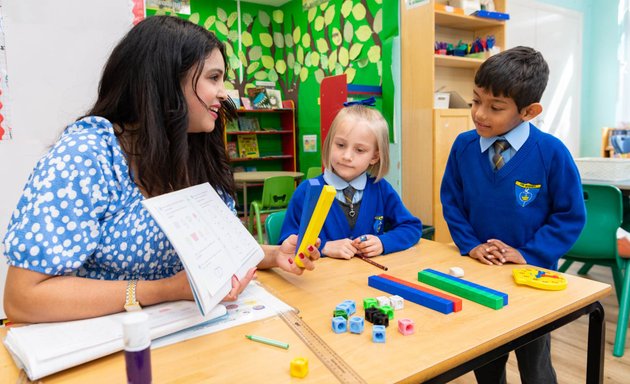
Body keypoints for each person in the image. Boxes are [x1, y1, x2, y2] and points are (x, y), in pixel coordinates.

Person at [2, 16, 320, 324]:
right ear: (167, 81)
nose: (224, 93)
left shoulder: (196, 149)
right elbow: (23, 298)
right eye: (213, 78)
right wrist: (165, 291)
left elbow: (217, 246)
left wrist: (272, 254)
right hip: (112, 346)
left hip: (190, 337)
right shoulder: (86, 155)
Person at [440, 46, 586, 384]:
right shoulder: (463, 146)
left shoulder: (551, 153)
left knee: (535, 367)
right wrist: (471, 245)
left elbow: (569, 216)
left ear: (529, 111)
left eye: (495, 107)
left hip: (532, 280)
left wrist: (528, 254)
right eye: (476, 101)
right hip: (480, 275)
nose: (479, 114)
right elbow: (452, 201)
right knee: (486, 363)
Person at [279, 105, 422, 259]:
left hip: (367, 278)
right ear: (329, 144)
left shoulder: (380, 188)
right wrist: (324, 247)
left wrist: (383, 242)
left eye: (359, 150)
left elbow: (411, 227)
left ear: (374, 157)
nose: (347, 156)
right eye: (340, 145)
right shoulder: (307, 191)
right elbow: (285, 246)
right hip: (321, 280)